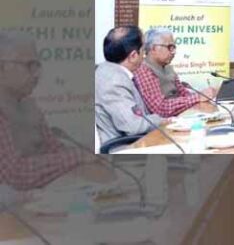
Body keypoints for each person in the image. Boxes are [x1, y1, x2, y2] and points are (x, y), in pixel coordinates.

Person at [0, 32, 95, 190]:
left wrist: (85, 157)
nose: (37, 74)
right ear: (2, 68)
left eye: (37, 66)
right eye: (29, 66)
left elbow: (53, 150)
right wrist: (79, 157)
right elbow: (12, 174)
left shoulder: (28, 106)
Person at [95, 26, 163, 145]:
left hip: (136, 141)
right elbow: (134, 126)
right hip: (124, 147)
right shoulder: (114, 81)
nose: (144, 54)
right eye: (143, 50)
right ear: (133, 56)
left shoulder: (109, 70)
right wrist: (163, 121)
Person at [133, 28, 216, 117]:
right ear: (153, 48)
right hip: (162, 125)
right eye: (169, 47)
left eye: (174, 47)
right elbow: (160, 108)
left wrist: (204, 96)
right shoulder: (144, 70)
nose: (173, 52)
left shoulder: (168, 67)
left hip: (180, 117)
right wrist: (198, 97)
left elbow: (183, 93)